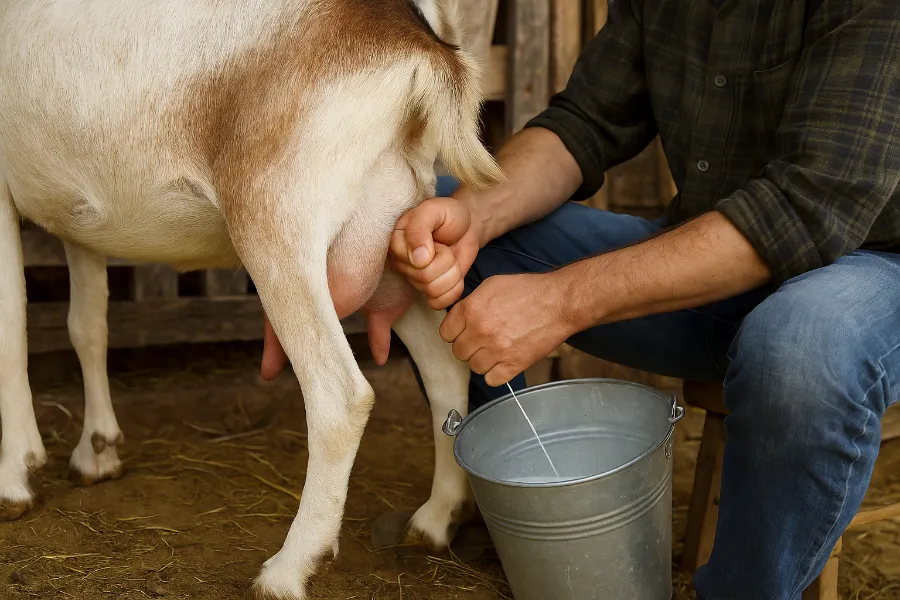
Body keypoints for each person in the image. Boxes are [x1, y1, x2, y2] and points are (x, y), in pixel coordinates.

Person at [260, 0, 900, 597]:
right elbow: (584, 123)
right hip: (715, 260)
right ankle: (510, 508)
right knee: (429, 209)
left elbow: (805, 207)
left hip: (872, 270)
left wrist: (561, 301)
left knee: (798, 348)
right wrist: (472, 214)